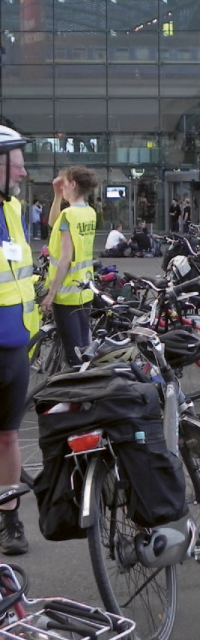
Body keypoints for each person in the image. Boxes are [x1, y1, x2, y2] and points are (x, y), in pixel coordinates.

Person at [0, 125, 38, 555]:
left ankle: (10, 520)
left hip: (14, 349)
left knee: (8, 438)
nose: (24, 174)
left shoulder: (14, 210)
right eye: (18, 164)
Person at [42, 166, 97, 367]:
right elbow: (55, 222)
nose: (61, 188)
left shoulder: (69, 216)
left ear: (73, 185)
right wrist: (57, 196)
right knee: (83, 348)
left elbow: (65, 259)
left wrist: (51, 294)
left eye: (63, 184)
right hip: (84, 290)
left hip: (66, 294)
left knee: (74, 357)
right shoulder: (89, 213)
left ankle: (78, 394)